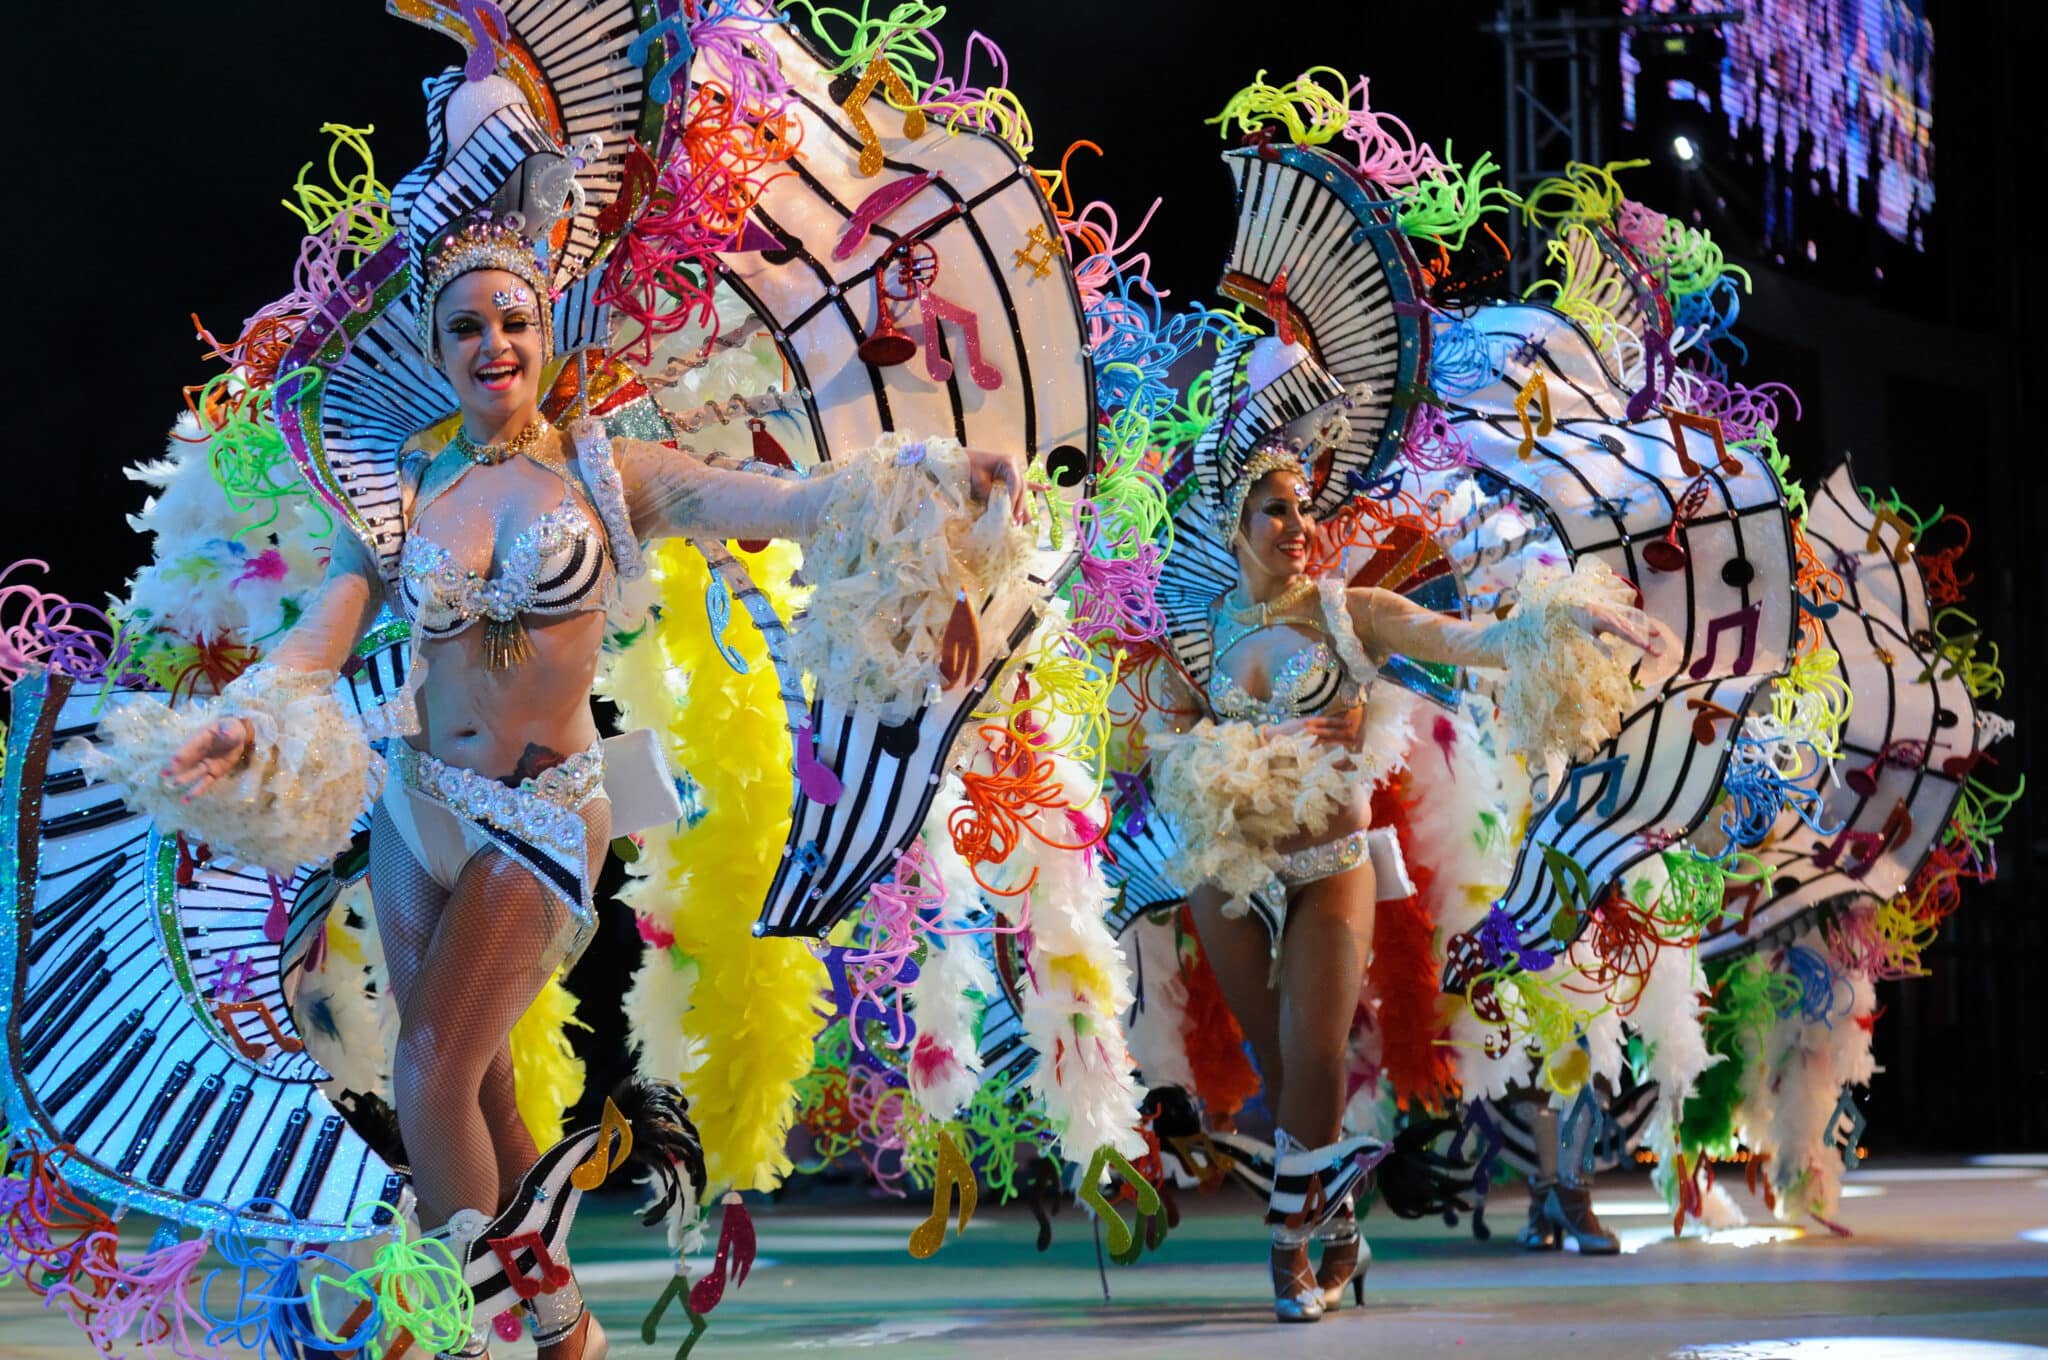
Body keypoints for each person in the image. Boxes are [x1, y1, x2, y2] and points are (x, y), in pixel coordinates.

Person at [102, 193, 1026, 1357]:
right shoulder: (400, 485)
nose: (493, 346)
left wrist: (942, 477)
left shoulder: (611, 470)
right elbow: (322, 632)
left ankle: (474, 1329)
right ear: (437, 352)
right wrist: (252, 720)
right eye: (465, 329)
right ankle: (559, 1321)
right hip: (416, 805)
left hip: (542, 816)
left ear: (546, 336)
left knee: (428, 1068)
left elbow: (791, 504)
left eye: (513, 322)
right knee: (474, 1071)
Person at [1148, 337, 1660, 1322]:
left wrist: (1558, 625)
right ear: (1236, 520)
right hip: (1227, 874)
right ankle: (1336, 1217)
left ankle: (1291, 1251)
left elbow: (1472, 641)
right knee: (1277, 1069)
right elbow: (1177, 741)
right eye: (1276, 510)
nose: (1300, 526)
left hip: (1329, 865)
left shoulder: (1351, 613)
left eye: (1304, 508)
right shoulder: (1207, 626)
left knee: (1310, 1057)